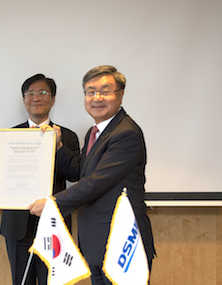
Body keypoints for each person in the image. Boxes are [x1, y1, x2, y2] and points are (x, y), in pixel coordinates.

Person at [28, 66, 156, 285]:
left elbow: (96, 182)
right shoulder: (95, 132)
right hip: (97, 243)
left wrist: (53, 203)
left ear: (120, 94)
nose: (97, 98)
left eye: (105, 90)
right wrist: (58, 147)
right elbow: (81, 172)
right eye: (90, 91)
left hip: (123, 245)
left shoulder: (126, 133)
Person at [0, 74, 80, 285]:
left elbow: (75, 174)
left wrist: (59, 146)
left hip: (53, 224)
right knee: (21, 281)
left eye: (43, 93)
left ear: (53, 99)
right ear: (24, 99)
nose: (37, 97)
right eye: (31, 93)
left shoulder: (67, 136)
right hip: (17, 226)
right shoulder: (10, 136)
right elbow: (4, 179)